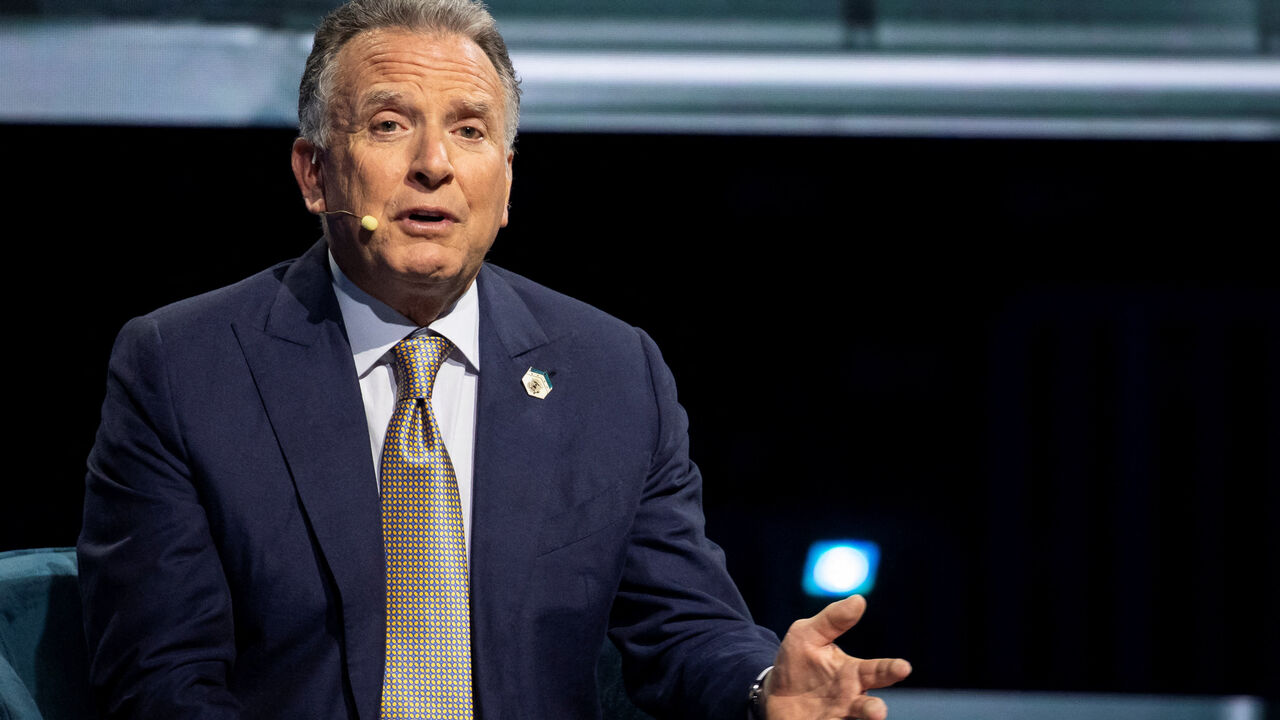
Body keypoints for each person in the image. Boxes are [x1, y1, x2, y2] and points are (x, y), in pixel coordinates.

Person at [77, 0, 911, 718]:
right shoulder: (186, 368)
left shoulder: (612, 374)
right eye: (390, 125)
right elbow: (161, 680)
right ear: (315, 174)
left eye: (469, 131)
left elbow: (682, 625)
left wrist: (765, 688)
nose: (434, 165)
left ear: (505, 185)